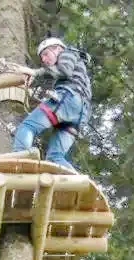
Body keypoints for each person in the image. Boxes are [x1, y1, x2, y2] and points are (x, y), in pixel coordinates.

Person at [12, 37, 92, 170]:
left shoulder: (67, 53)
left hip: (68, 98)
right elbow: (61, 75)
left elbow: (64, 71)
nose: (44, 60)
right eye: (42, 57)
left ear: (58, 49)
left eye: (45, 54)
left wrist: (34, 72)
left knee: (27, 126)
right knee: (55, 157)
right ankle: (73, 183)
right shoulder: (78, 69)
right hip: (80, 113)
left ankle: (18, 161)